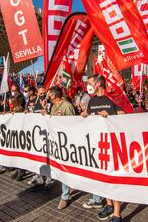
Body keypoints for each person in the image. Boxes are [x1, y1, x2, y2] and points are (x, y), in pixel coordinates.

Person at [81, 75, 125, 222]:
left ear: (99, 83)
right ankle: (109, 205)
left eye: (90, 83)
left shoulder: (113, 98)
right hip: (98, 145)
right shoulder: (92, 100)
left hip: (113, 144)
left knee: (114, 179)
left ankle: (117, 214)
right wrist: (84, 115)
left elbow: (124, 116)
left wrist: (110, 115)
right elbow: (89, 117)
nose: (88, 85)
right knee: (105, 178)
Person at [44, 86, 76, 210]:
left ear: (55, 95)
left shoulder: (67, 106)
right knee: (63, 169)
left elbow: (74, 123)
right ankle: (65, 196)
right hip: (57, 143)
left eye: (49, 94)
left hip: (68, 143)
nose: (48, 96)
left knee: (69, 169)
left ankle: (67, 194)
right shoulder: (52, 107)